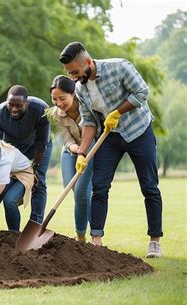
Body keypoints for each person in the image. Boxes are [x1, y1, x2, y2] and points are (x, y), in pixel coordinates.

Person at [59, 41, 163, 258]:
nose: (73, 78)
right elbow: (88, 122)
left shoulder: (119, 67)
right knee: (100, 187)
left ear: (88, 62)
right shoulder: (80, 88)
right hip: (111, 137)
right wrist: (82, 152)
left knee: (149, 186)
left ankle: (154, 240)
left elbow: (142, 92)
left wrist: (117, 112)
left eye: (75, 72)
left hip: (138, 132)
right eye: (70, 74)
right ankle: (96, 240)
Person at [0, 85, 52, 226]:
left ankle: (35, 223)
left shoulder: (41, 109)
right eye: (11, 105)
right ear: (6, 102)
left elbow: (42, 142)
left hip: (38, 147)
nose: (14, 109)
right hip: (13, 149)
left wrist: (34, 168)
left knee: (38, 181)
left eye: (19, 105)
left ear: (27, 103)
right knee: (8, 184)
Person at [49, 75, 94, 242]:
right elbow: (66, 137)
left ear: (73, 93)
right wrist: (73, 148)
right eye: (54, 99)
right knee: (75, 191)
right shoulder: (56, 113)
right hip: (70, 151)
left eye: (62, 98)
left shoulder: (87, 106)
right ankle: (83, 237)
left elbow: (94, 130)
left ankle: (88, 235)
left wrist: (82, 150)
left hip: (89, 150)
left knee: (82, 192)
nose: (59, 103)